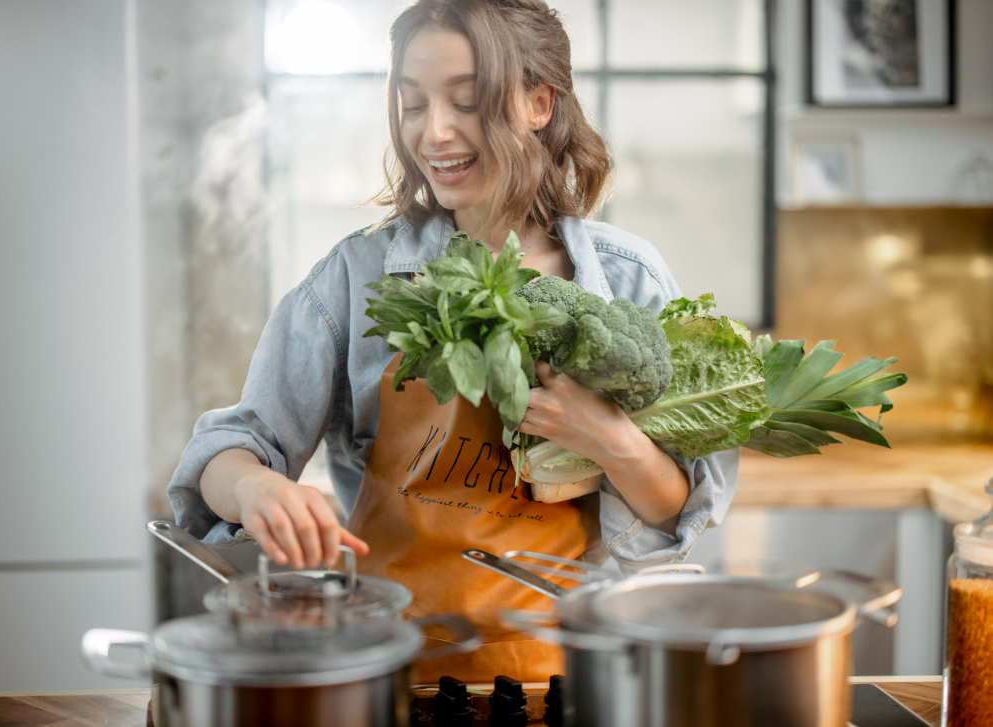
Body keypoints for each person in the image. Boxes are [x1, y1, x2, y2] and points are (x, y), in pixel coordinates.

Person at [168, 0, 738, 682]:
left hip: (571, 678)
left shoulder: (628, 280)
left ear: (539, 103)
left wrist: (608, 438)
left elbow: (679, 507)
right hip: (392, 675)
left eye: (465, 101)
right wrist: (255, 486)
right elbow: (225, 454)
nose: (433, 133)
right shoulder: (357, 277)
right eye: (411, 105)